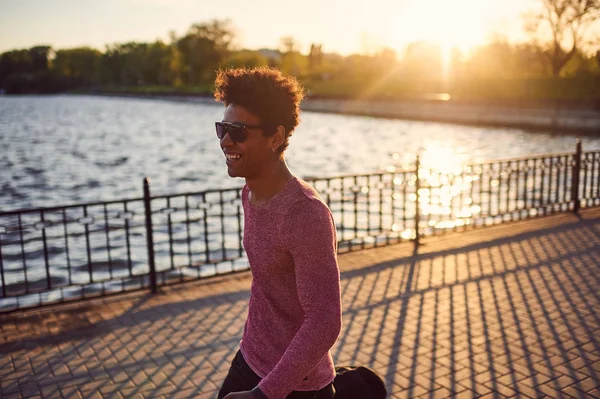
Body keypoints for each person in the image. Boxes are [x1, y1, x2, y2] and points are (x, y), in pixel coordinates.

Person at [214, 67, 342, 399]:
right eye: (222, 129)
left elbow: (324, 320)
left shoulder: (305, 213)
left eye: (238, 131)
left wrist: (264, 394)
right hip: (249, 358)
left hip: (297, 385)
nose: (226, 140)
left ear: (276, 137)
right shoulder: (250, 193)